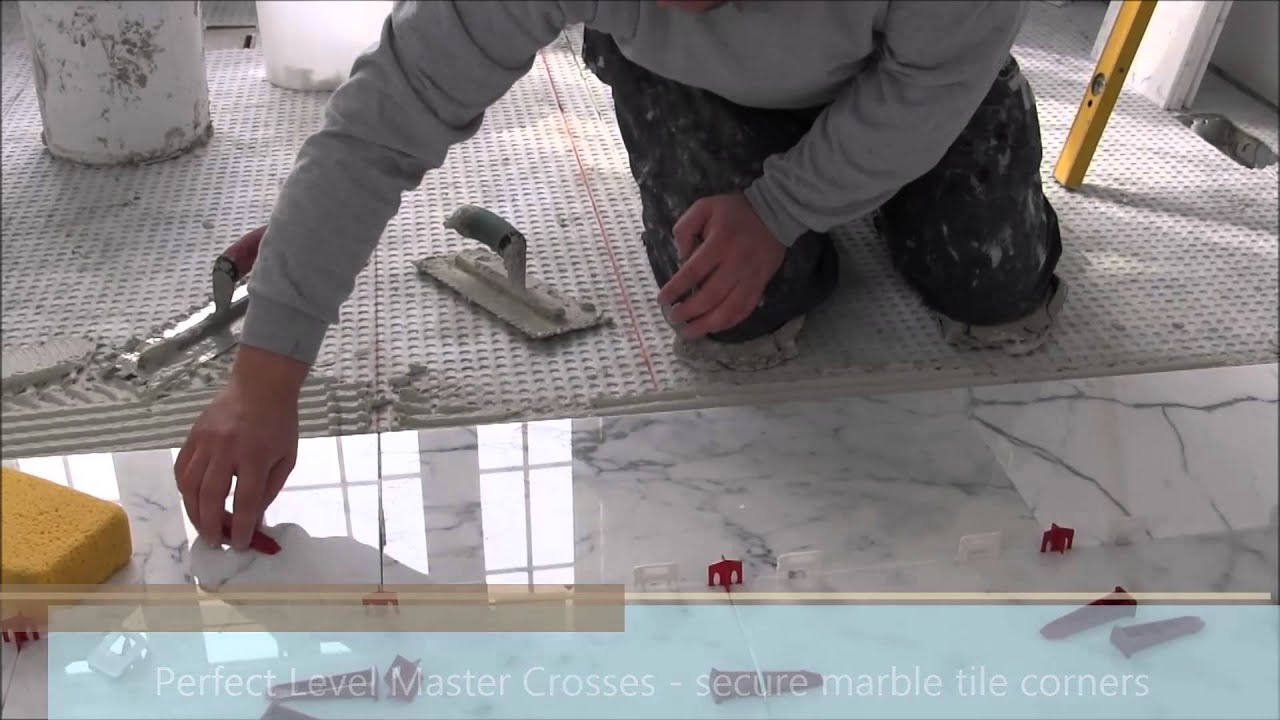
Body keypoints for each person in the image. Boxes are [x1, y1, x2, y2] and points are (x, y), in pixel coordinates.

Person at [177, 0, 1066, 550]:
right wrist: (263, 379)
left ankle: (894, 160)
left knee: (994, 289)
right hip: (702, 86)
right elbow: (382, 123)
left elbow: (929, 82)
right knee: (737, 316)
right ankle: (822, 168)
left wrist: (783, 207)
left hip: (919, 72)